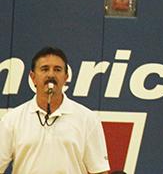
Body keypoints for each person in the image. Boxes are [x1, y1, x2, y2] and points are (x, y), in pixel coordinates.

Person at [0, 46, 110, 174]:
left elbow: (99, 171)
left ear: (66, 77)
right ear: (33, 77)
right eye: (44, 69)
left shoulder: (88, 119)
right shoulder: (12, 120)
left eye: (57, 70)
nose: (51, 74)